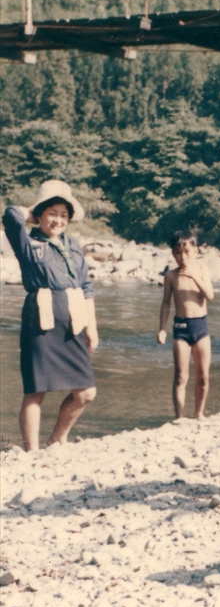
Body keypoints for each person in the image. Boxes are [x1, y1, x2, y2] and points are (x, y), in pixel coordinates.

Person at [2, 180, 98, 451]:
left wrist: (92, 327)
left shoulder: (74, 244)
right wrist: (33, 213)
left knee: (86, 392)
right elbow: (10, 215)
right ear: (40, 213)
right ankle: (31, 451)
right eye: (52, 213)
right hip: (40, 319)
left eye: (64, 215)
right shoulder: (28, 242)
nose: (58, 220)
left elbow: (86, 286)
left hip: (74, 320)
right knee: (36, 390)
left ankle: (56, 437)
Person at [157, 230, 215, 419]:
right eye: (178, 252)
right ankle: (179, 417)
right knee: (181, 376)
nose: (183, 257)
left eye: (187, 252)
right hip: (181, 329)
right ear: (173, 254)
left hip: (201, 329)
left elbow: (210, 296)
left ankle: (199, 414)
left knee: (203, 377)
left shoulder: (202, 270)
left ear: (196, 251)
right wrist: (162, 329)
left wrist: (194, 277)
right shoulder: (171, 276)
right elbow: (166, 303)